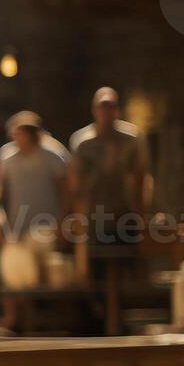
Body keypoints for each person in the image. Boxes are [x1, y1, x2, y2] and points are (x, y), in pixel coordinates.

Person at [71, 88, 154, 333]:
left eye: (111, 107)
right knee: (94, 271)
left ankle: (122, 322)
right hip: (94, 215)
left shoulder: (130, 139)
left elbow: (140, 176)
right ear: (95, 109)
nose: (106, 112)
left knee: (126, 265)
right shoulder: (83, 142)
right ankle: (97, 322)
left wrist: (141, 214)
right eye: (102, 107)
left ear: (117, 109)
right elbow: (75, 182)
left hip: (123, 212)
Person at [0, 112, 70, 328]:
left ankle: (43, 318)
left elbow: (65, 189)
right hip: (17, 223)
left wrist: (64, 219)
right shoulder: (7, 156)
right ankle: (14, 317)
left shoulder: (53, 154)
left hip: (46, 223)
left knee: (39, 266)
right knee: (12, 265)